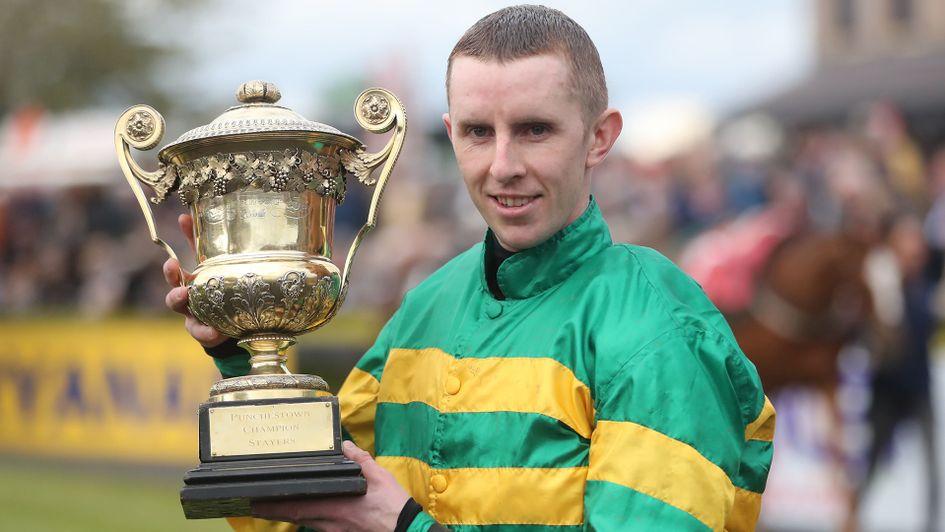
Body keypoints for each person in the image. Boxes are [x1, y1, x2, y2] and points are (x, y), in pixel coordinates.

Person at [164, 6, 775, 531]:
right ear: (451, 133)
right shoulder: (427, 304)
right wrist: (245, 358)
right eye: (479, 132)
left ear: (599, 137)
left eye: (535, 130)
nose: (503, 165)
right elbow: (310, 505)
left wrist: (403, 524)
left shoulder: (659, 326)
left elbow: (381, 515)